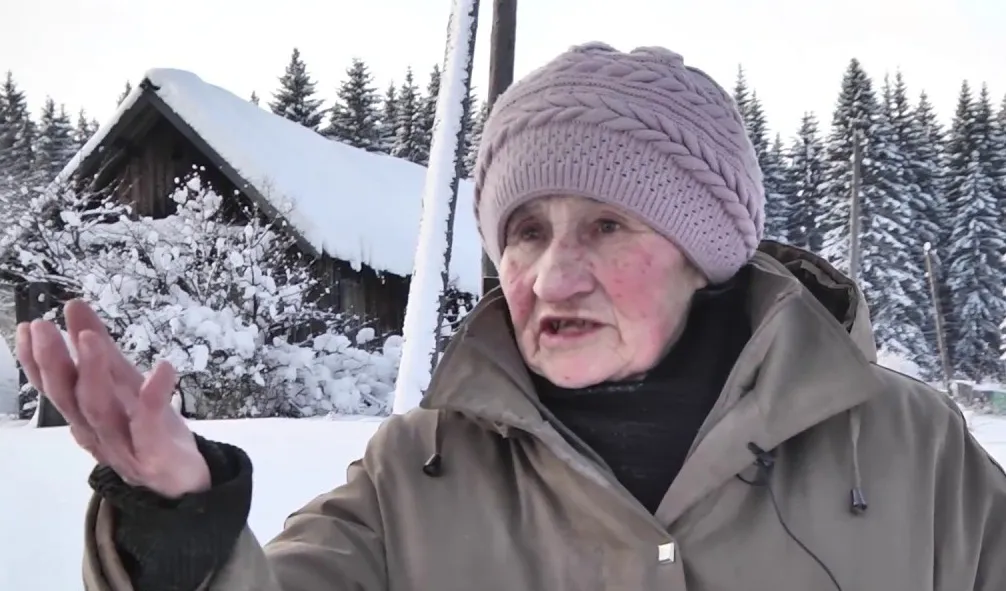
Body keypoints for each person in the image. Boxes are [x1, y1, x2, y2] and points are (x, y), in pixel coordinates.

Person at [19, 42, 1006, 591]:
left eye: (607, 225)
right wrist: (180, 520)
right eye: (525, 232)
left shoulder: (908, 451)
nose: (552, 276)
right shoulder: (420, 471)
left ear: (704, 254)